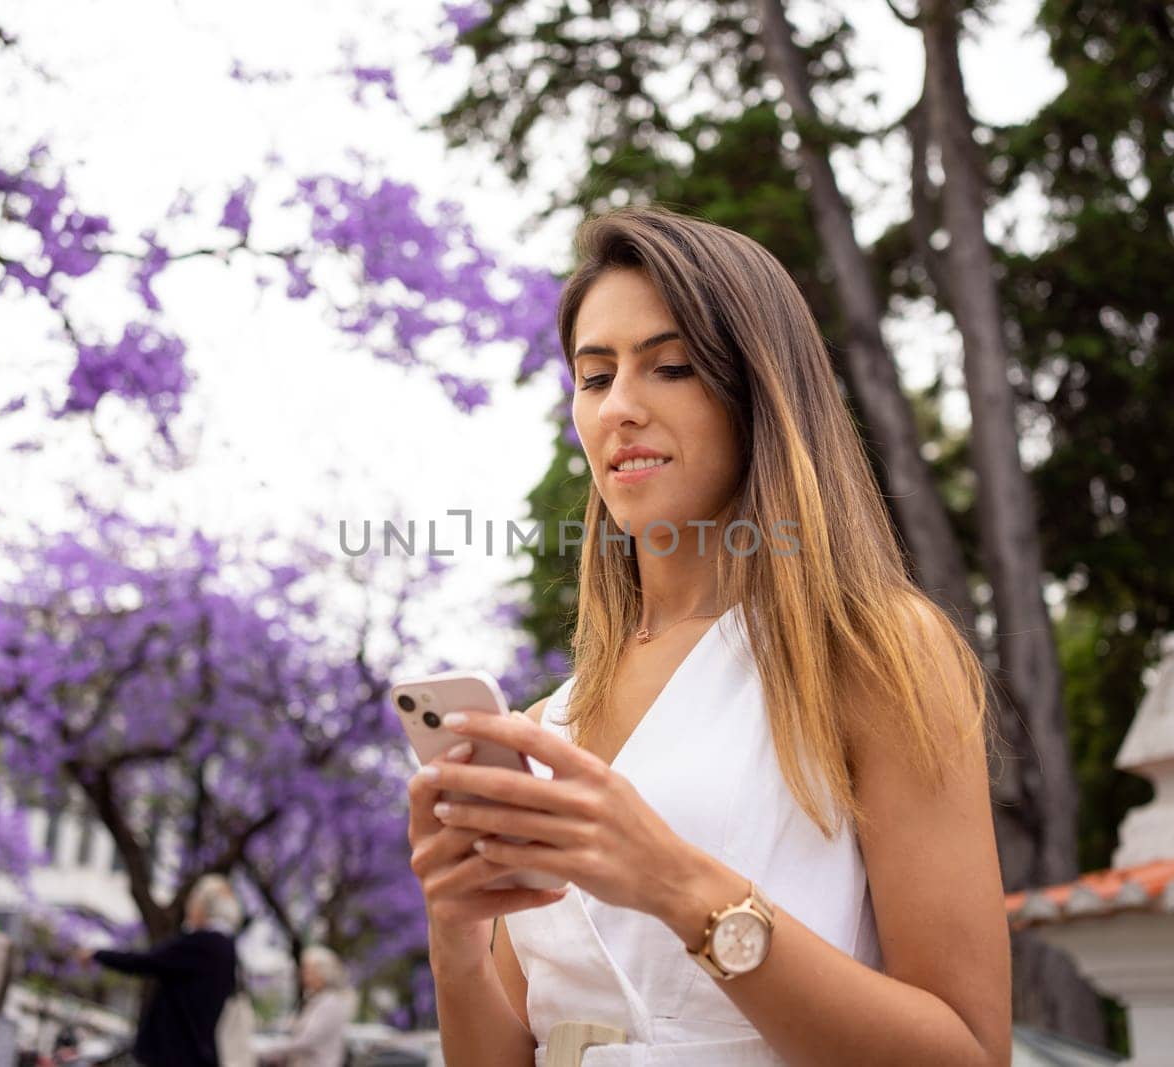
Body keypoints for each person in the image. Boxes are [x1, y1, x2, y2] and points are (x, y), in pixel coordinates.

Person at [406, 208, 1012, 1065]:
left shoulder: (870, 652)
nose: (620, 407)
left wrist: (676, 883)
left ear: (758, 391)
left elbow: (969, 1052)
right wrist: (455, 940)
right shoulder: (549, 726)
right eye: (594, 375)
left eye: (672, 367)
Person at [78, 874, 240, 1067]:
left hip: (173, 1053)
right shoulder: (226, 948)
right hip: (195, 1054)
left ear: (203, 906)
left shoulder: (201, 943)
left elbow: (145, 962)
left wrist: (98, 954)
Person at [260, 946, 359, 1067]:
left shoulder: (330, 1003)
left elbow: (305, 1041)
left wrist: (267, 1049)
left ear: (322, 973)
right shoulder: (316, 1000)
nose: (302, 975)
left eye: (308, 971)